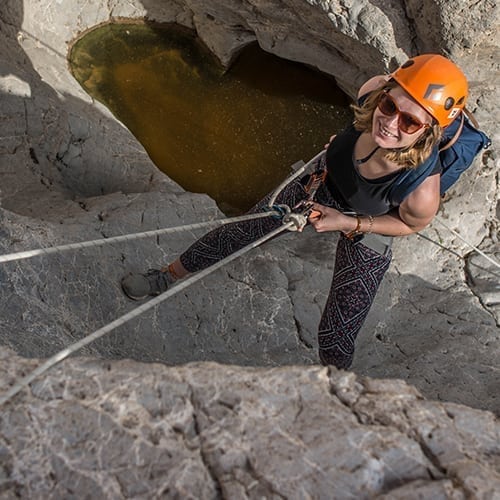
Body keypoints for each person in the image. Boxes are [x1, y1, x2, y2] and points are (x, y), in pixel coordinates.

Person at [121, 53, 469, 369]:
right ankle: (167, 276)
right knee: (239, 232)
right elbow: (366, 119)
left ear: (427, 133)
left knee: (338, 330)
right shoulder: (372, 91)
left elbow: (408, 225)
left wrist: (347, 222)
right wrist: (341, 149)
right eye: (389, 106)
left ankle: (336, 390)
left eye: (409, 122)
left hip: (366, 221)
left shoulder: (423, 190)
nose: (390, 123)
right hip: (321, 183)